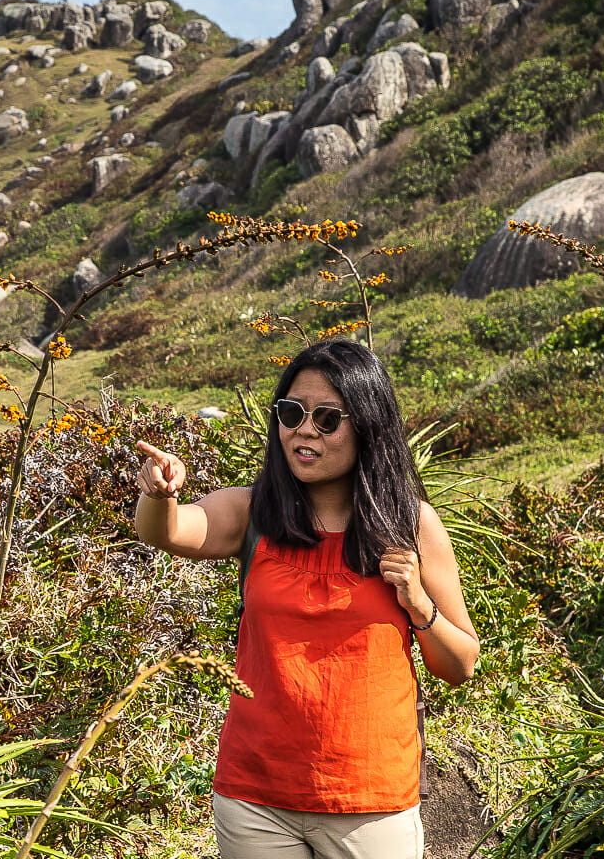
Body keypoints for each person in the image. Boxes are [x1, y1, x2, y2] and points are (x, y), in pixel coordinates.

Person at [133, 339, 480, 859]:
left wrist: (417, 604)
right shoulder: (254, 513)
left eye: (327, 419)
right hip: (255, 799)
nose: (304, 430)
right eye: (292, 413)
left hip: (371, 800)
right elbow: (170, 532)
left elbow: (461, 664)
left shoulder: (410, 525)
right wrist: (160, 496)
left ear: (366, 425)